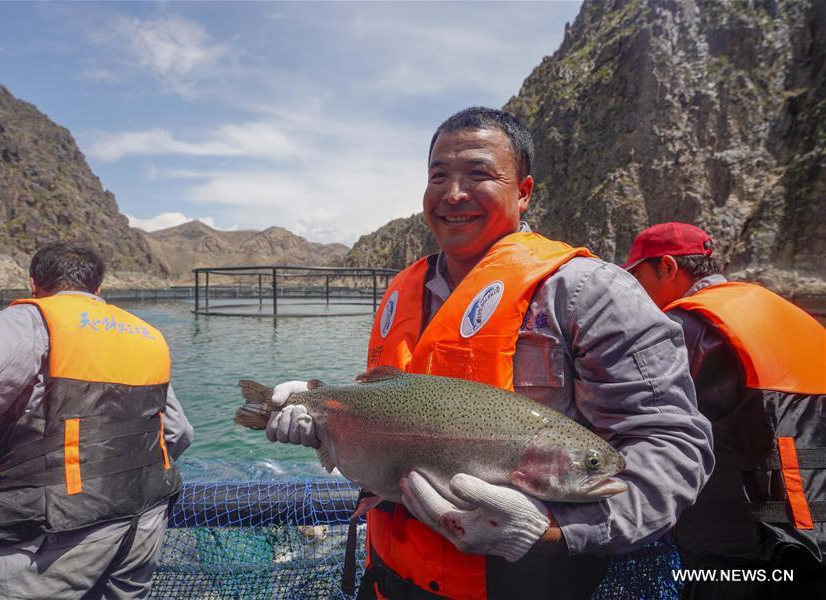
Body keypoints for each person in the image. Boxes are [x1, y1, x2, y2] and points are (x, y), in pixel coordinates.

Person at [266, 107, 714, 599]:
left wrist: (549, 530)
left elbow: (673, 446)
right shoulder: (402, 291)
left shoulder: (593, 292)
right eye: (439, 175)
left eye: (478, 174)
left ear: (523, 191)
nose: (453, 193)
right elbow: (383, 404)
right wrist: (327, 425)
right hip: (390, 578)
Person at [0, 242, 193, 599]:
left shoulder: (33, 319)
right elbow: (177, 432)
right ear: (97, 289)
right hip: (145, 524)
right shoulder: (147, 336)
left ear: (34, 284)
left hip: (61, 528)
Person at [624, 222, 826, 599]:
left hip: (739, 549)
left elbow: (638, 421)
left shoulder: (685, 327)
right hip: (814, 530)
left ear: (667, 267)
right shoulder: (786, 312)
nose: (634, 294)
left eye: (636, 278)